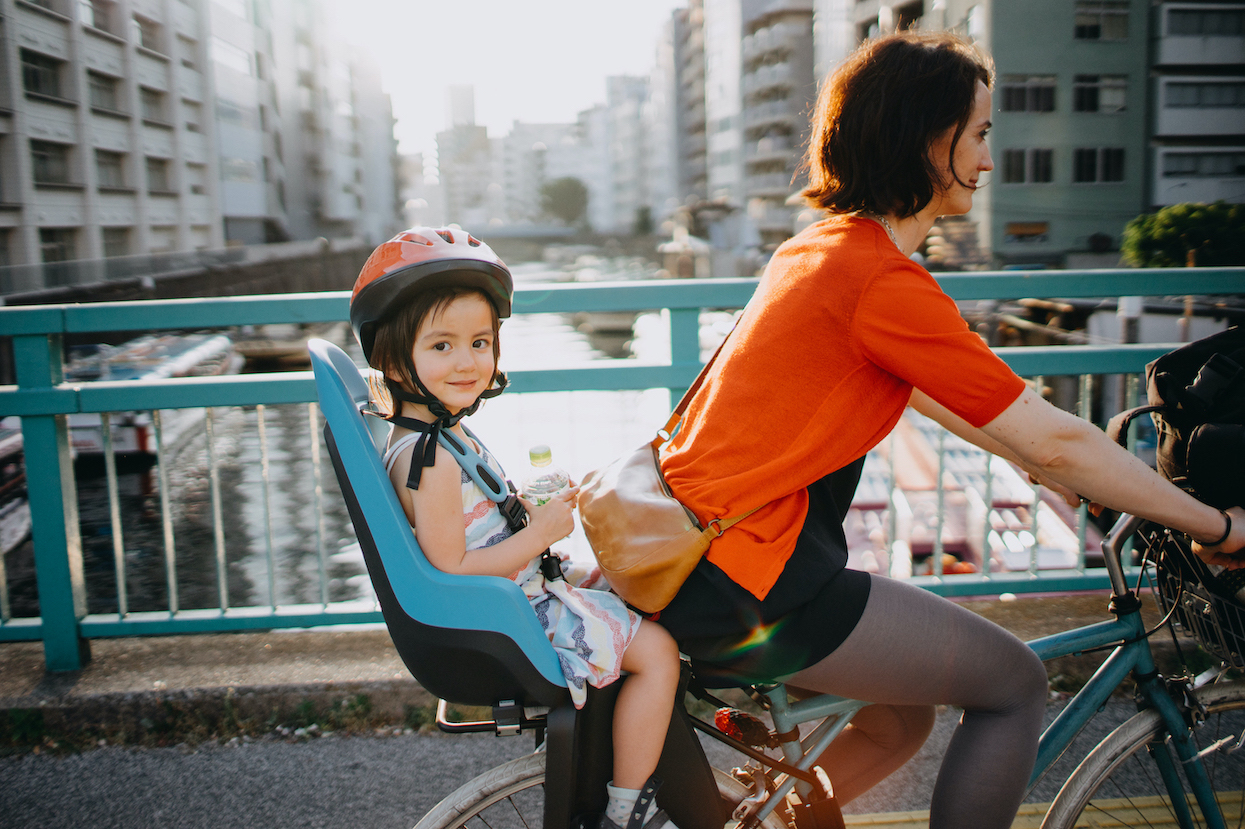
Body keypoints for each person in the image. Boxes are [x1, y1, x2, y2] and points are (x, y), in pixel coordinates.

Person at [655, 31, 1245, 828]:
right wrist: (1218, 525)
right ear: (927, 139)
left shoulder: (817, 249)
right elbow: (1056, 435)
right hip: (756, 581)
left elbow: (948, 406)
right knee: (1013, 685)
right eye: (979, 135)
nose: (988, 159)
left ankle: (760, 821)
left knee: (901, 715)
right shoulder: (879, 279)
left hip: (701, 567)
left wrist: (1054, 473)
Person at [349, 227, 682, 829]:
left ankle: (610, 746)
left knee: (632, 583)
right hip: (514, 613)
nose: (468, 361)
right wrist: (540, 533)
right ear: (396, 360)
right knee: (660, 653)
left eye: (479, 342)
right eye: (442, 346)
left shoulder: (431, 437)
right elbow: (451, 567)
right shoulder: (435, 457)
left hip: (515, 596)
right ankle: (626, 806)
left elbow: (471, 532)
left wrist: (523, 511)